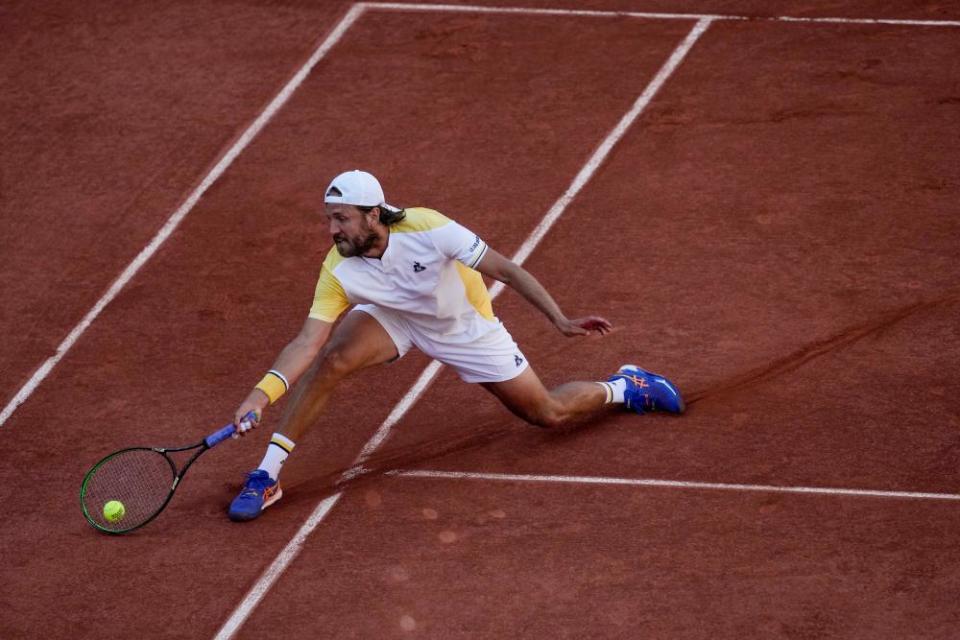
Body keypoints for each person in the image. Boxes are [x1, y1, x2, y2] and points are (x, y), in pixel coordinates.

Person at [227, 170, 684, 521]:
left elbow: (505, 270)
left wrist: (559, 319)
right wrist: (259, 394)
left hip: (465, 327)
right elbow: (307, 340)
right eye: (329, 218)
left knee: (547, 413)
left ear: (372, 214)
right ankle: (267, 475)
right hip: (399, 319)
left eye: (341, 218)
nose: (332, 229)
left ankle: (627, 386)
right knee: (332, 358)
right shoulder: (339, 268)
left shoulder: (429, 227)